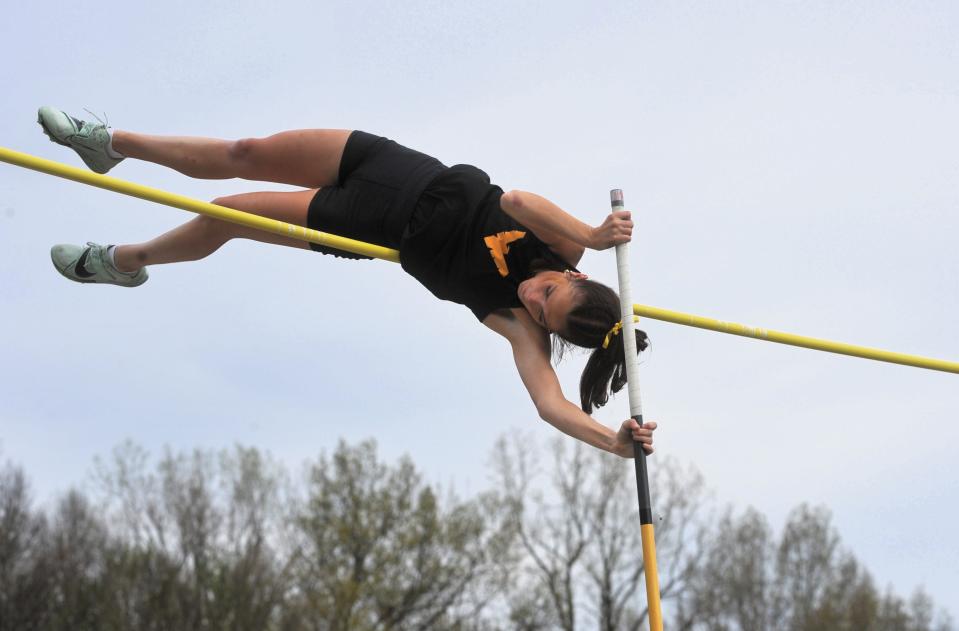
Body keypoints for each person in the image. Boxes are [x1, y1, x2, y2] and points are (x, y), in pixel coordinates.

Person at [37, 107, 657, 459]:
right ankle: (110, 144)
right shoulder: (567, 241)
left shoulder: (516, 322)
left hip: (364, 224)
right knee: (244, 149)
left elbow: (550, 406)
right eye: (548, 292)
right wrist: (595, 235)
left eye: (541, 313)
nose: (531, 298)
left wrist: (615, 443)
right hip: (390, 165)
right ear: (574, 273)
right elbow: (517, 200)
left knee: (225, 214)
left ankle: (124, 260)